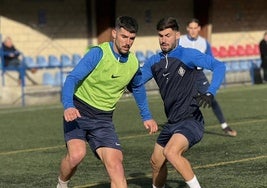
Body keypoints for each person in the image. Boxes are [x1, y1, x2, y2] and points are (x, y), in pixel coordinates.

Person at [56, 16, 158, 188]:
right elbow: (72, 78)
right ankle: (62, 184)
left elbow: (138, 88)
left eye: (131, 38)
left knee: (117, 167)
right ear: (114, 34)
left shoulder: (133, 62)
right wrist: (68, 105)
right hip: (78, 112)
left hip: (103, 120)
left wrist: (146, 116)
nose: (127, 42)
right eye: (124, 37)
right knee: (76, 155)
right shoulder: (98, 53)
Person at [139, 17, 226, 188]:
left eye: (168, 35)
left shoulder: (188, 54)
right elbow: (135, 82)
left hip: (191, 120)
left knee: (171, 152)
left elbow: (219, 66)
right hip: (172, 123)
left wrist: (210, 92)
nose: (163, 40)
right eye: (160, 36)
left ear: (177, 35)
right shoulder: (153, 62)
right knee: (156, 162)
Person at [178, 18, 237, 137]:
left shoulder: (204, 43)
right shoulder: (180, 41)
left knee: (211, 99)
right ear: (187, 29)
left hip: (199, 76)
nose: (193, 31)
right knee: (182, 101)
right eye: (191, 28)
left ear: (199, 28)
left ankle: (224, 125)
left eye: (195, 28)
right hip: (184, 75)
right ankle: (178, 127)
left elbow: (211, 60)